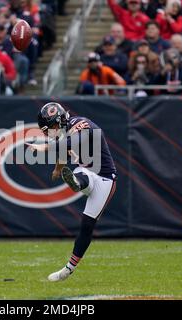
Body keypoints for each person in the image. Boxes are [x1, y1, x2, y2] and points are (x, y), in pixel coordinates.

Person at [26, 102, 117, 281]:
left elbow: (69, 142)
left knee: (87, 226)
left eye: (50, 126)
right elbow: (65, 149)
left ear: (59, 120)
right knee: (80, 173)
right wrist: (58, 169)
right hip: (88, 174)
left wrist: (44, 147)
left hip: (106, 179)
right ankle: (76, 182)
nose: (49, 131)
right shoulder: (65, 132)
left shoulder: (81, 123)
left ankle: (68, 269)